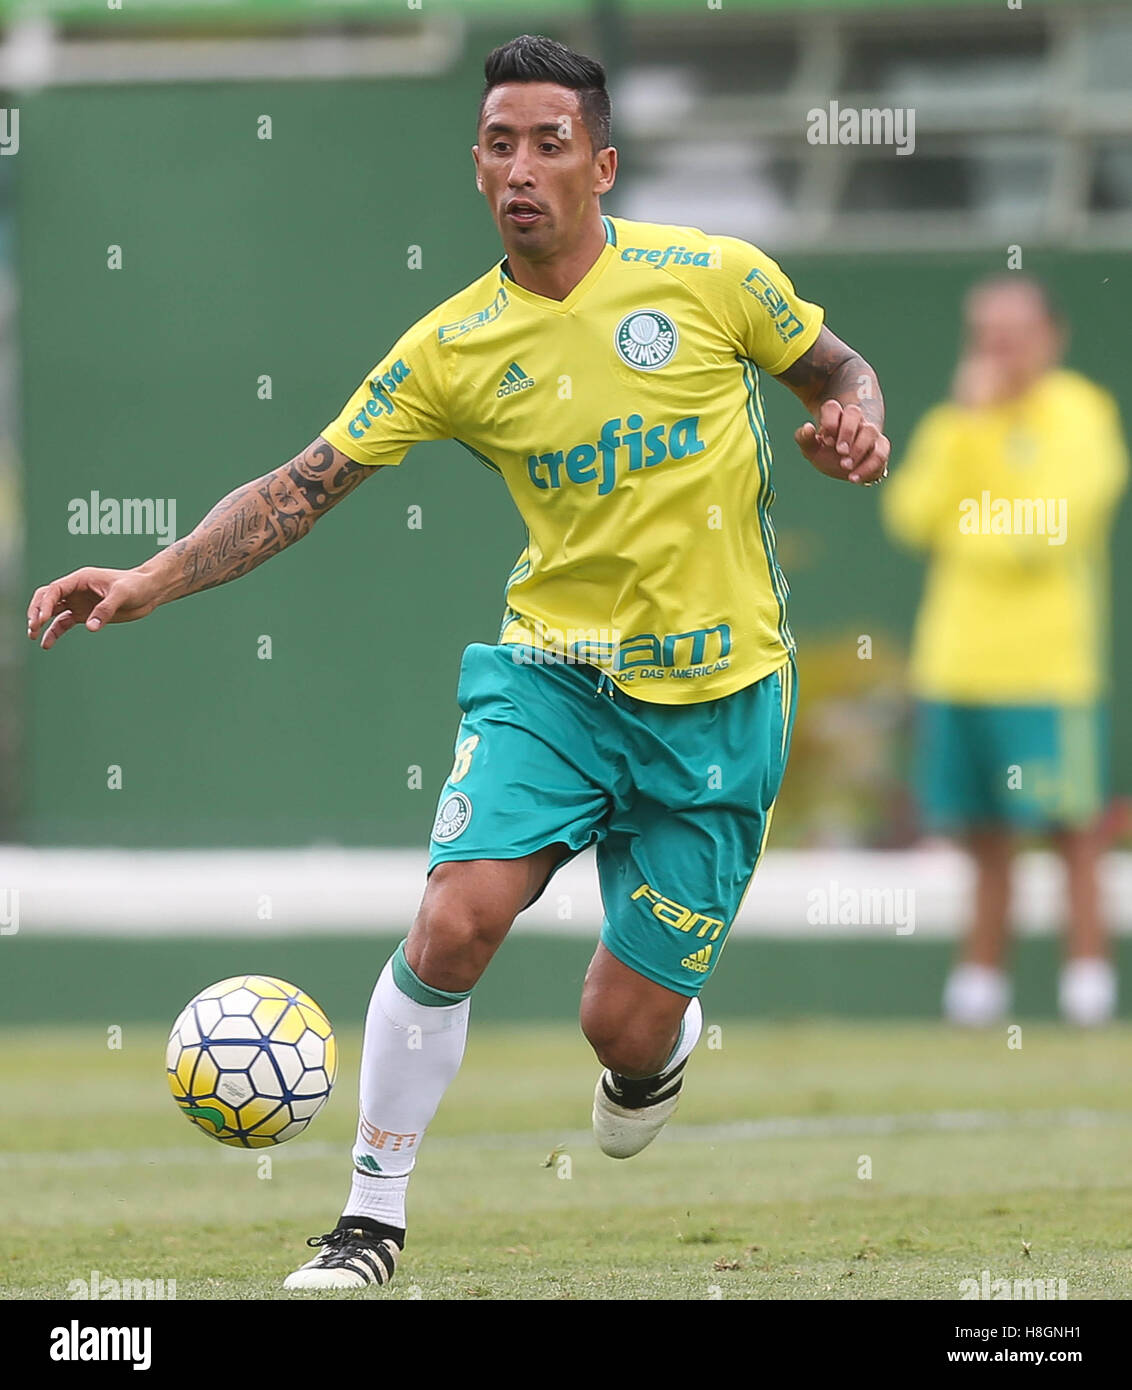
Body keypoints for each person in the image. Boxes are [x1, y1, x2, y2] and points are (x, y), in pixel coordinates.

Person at [27, 35, 889, 1289]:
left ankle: (653, 1048)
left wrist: (854, 418)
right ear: (474, 166)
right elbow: (296, 489)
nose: (521, 167)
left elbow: (836, 367)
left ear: (602, 162)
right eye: (498, 143)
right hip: (553, 682)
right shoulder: (451, 347)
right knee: (455, 916)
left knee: (621, 1023)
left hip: (719, 698)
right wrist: (153, 576)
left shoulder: (714, 278)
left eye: (549, 143)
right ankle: (369, 1222)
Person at [883, 274, 1127, 1029]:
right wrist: (968, 430)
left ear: (1051, 337)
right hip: (956, 667)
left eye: (1014, 334)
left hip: (1048, 671)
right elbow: (911, 516)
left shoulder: (1084, 415)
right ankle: (978, 992)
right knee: (983, 838)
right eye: (986, 335)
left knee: (1072, 833)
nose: (999, 351)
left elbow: (1046, 531)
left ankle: (1088, 987)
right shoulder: (956, 422)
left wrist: (975, 529)